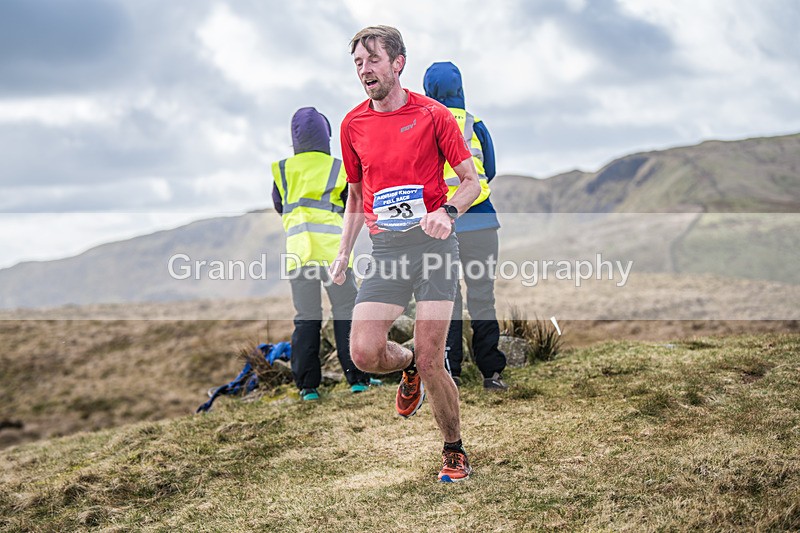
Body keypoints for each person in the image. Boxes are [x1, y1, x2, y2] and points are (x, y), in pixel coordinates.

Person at [329, 26, 481, 482]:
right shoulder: (352, 125)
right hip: (387, 250)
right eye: (358, 63)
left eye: (373, 59)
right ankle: (407, 362)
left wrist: (447, 212)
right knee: (364, 353)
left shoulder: (433, 115)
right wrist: (343, 252)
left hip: (433, 247)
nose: (365, 70)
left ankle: (453, 449)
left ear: (398, 63)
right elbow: (357, 196)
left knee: (434, 358)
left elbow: (470, 182)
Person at [271, 107, 376, 401]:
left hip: (299, 254)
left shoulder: (283, 170)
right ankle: (358, 379)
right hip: (334, 254)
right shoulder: (337, 168)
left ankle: (308, 388)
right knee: (345, 312)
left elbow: (280, 206)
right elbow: (351, 204)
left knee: (306, 318)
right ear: (325, 135)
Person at [423, 62, 508, 391]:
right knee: (483, 297)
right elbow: (491, 169)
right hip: (482, 221)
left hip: (443, 224)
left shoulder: (424, 125)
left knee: (449, 299)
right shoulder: (476, 124)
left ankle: (452, 371)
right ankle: (491, 373)